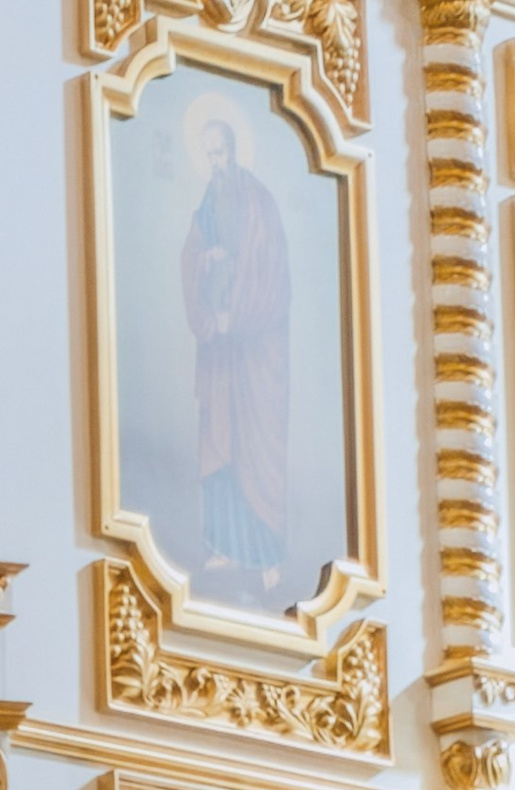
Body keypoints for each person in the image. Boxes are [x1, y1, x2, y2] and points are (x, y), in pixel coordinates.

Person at [180, 112, 289, 590]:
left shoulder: (259, 203)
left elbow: (273, 277)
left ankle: (267, 557)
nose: (214, 162)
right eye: (208, 155)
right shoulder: (209, 200)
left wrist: (237, 315)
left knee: (254, 448)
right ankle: (225, 546)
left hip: (253, 352)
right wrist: (207, 260)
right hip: (222, 351)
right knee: (219, 441)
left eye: (219, 152)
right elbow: (193, 252)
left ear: (234, 151)